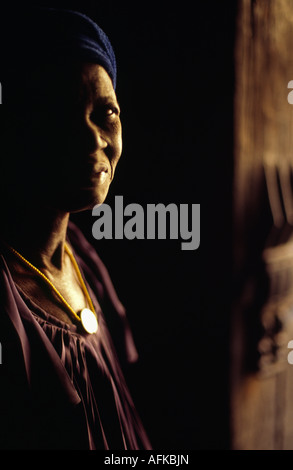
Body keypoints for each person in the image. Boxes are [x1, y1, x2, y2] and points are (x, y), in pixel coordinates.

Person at [0, 6, 151, 450]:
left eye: (107, 112)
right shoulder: (8, 295)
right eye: (65, 115)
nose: (94, 139)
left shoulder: (81, 258)